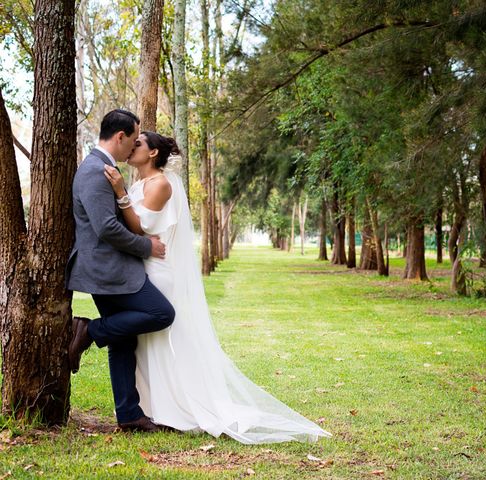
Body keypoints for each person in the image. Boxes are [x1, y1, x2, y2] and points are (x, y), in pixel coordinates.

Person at [103, 131, 331, 444]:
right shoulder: (141, 183)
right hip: (141, 266)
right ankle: (150, 407)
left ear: (153, 153)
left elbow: (140, 227)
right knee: (144, 342)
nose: (131, 147)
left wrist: (119, 193)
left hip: (158, 270)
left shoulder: (161, 184)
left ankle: (175, 407)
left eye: (138, 144)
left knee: (162, 338)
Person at [66, 109, 175, 433]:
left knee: (123, 340)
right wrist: (147, 247)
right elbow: (107, 228)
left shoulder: (106, 169)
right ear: (121, 137)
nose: (133, 148)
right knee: (161, 313)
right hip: (107, 269)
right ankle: (88, 331)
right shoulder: (95, 171)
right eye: (134, 139)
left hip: (111, 267)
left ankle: (129, 415)